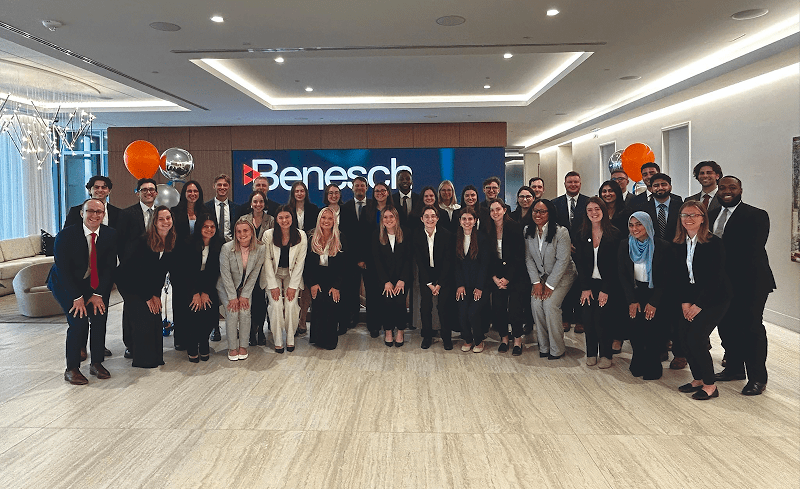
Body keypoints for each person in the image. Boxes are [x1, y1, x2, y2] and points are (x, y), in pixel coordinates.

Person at [710, 176, 775, 396]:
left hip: (751, 282)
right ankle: (735, 368)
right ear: (717, 191)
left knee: (751, 328)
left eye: (732, 187)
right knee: (726, 326)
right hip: (722, 283)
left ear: (740, 190)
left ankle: (758, 377)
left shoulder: (756, 215)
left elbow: (752, 249)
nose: (727, 191)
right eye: (723, 188)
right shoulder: (711, 215)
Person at [48, 199, 117, 385]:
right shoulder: (66, 235)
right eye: (90, 211)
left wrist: (98, 294)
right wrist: (76, 297)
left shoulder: (110, 235)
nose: (94, 215)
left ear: (104, 215)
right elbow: (63, 270)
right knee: (78, 323)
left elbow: (109, 268)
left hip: (92, 285)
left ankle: (96, 363)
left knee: (99, 318)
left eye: (99, 212)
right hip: (65, 283)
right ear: (82, 213)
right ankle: (71, 368)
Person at [673, 201, 732, 400]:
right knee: (683, 337)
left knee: (697, 338)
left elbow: (715, 278)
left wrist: (698, 305)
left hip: (715, 298)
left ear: (703, 218)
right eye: (684, 215)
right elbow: (680, 276)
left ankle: (710, 385)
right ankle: (697, 379)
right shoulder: (679, 243)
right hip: (690, 296)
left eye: (693, 215)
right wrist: (685, 302)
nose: (688, 219)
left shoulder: (714, 243)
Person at [63, 175, 118, 359]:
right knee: (79, 316)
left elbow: (114, 252)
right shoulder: (75, 213)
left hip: (101, 273)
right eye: (96, 187)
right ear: (90, 189)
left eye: (104, 187)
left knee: (99, 311)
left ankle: (98, 350)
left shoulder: (117, 215)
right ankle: (79, 348)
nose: (100, 190)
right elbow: (66, 249)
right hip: (75, 273)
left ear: (109, 191)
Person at [117, 206, 176, 368]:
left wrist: (155, 295)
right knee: (144, 317)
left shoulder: (170, 241)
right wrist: (148, 296)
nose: (165, 222)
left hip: (148, 286)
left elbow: (158, 273)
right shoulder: (143, 241)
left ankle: (156, 357)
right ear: (154, 222)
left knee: (155, 316)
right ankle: (143, 360)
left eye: (168, 218)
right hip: (130, 285)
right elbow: (135, 272)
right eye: (161, 219)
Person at [618, 212, 673, 380]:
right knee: (635, 330)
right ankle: (638, 359)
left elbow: (665, 278)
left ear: (648, 225)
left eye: (639, 224)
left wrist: (654, 302)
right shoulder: (624, 245)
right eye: (631, 225)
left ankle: (653, 364)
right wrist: (631, 300)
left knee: (653, 331)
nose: (635, 229)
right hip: (634, 293)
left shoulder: (662, 246)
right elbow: (623, 275)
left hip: (656, 294)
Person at [524, 199, 576, 359]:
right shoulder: (527, 230)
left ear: (550, 213)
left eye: (542, 211)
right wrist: (536, 283)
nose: (537, 214)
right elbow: (529, 259)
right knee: (535, 304)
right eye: (535, 211)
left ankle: (557, 348)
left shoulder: (561, 232)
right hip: (540, 277)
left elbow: (563, 261)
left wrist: (550, 285)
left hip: (563, 275)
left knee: (550, 305)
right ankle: (544, 346)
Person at [575, 197, 622, 368]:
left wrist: (606, 289)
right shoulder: (582, 234)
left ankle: (606, 355)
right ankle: (591, 353)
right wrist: (585, 288)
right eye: (590, 210)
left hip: (607, 285)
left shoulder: (615, 234)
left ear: (603, 211)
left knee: (603, 321)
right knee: (588, 320)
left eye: (597, 209)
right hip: (588, 285)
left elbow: (615, 265)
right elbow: (580, 262)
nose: (594, 213)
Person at [116, 178, 158, 359]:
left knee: (152, 305)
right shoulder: (127, 214)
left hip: (153, 268)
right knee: (133, 307)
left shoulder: (161, 214)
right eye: (144, 190)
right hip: (131, 270)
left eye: (151, 189)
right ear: (138, 192)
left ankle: (149, 341)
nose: (148, 192)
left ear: (156, 193)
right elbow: (120, 243)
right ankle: (130, 344)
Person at [174, 215, 223, 362]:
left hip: (209, 282)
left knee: (209, 311)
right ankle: (192, 344)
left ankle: (204, 342)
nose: (209, 229)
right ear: (199, 228)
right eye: (205, 226)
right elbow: (184, 271)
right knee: (193, 311)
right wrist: (195, 292)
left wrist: (206, 292)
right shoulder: (187, 243)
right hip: (189, 283)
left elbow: (215, 271)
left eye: (212, 227)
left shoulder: (219, 244)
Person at [218, 219, 265, 361]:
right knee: (232, 311)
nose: (242, 234)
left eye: (245, 230)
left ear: (252, 232)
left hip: (245, 287)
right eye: (238, 231)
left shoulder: (260, 248)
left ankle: (243, 346)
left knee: (245, 311)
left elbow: (254, 274)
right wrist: (232, 297)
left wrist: (244, 295)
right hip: (227, 286)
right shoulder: (227, 248)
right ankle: (232, 347)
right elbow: (225, 274)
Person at [263, 206, 307, 353]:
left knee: (291, 304)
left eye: (287, 217)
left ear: (292, 218)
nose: (284, 220)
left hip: (291, 274)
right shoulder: (268, 235)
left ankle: (290, 338)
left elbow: (300, 264)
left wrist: (293, 286)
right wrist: (273, 285)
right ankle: (278, 340)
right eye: (280, 217)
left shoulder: (301, 236)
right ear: (276, 219)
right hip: (273, 274)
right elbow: (267, 262)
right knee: (275, 305)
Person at [304, 207, 348, 350]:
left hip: (333, 280)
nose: (326, 221)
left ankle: (329, 340)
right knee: (318, 306)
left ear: (334, 221)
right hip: (317, 280)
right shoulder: (311, 237)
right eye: (324, 218)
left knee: (330, 306)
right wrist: (312, 284)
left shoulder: (340, 238)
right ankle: (317, 339)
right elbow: (307, 265)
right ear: (319, 220)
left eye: (330, 218)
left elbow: (344, 267)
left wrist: (337, 286)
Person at [486, 198, 525, 355]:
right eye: (492, 210)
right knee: (499, 308)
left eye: (498, 209)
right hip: (496, 277)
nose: (495, 213)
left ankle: (517, 340)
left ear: (504, 210)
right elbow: (487, 258)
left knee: (515, 309)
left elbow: (519, 256)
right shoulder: (487, 229)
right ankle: (504, 338)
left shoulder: (515, 227)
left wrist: (508, 278)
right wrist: (495, 278)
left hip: (515, 275)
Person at [170, 180, 205, 351]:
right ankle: (181, 338)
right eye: (189, 190)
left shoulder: (205, 212)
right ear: (184, 193)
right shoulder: (175, 212)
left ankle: (199, 336)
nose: (192, 193)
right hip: (179, 262)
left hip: (201, 261)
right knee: (180, 299)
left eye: (195, 191)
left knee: (198, 297)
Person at [413, 205, 455, 350]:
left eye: (432, 216)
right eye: (426, 216)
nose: (430, 219)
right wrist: (430, 284)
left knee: (444, 307)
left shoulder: (447, 235)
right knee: (425, 307)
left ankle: (446, 337)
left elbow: (448, 262)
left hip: (444, 276)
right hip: (426, 277)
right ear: (422, 219)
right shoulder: (417, 236)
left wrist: (440, 284)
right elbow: (419, 262)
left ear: (437, 218)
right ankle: (427, 336)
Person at [236, 190, 275, 346]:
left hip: (264, 265)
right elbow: (237, 240)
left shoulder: (271, 220)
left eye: (261, 202)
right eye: (255, 202)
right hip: (246, 266)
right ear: (251, 203)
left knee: (260, 300)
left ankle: (260, 330)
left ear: (264, 204)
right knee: (248, 298)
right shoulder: (243, 219)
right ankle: (250, 330)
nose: (258, 204)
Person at [553, 171, 588, 334]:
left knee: (582, 284)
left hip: (583, 250)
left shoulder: (588, 202)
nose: (573, 184)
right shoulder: (555, 203)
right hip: (562, 251)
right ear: (564, 184)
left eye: (576, 182)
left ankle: (580, 320)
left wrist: (578, 245)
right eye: (570, 182)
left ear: (580, 184)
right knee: (564, 285)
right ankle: (565, 318)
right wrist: (566, 245)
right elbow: (553, 228)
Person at [372, 207, 411, 346]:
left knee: (400, 303)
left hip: (402, 278)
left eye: (391, 217)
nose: (388, 220)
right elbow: (377, 261)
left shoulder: (406, 233)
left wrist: (402, 280)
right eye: (385, 217)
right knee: (387, 303)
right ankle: (388, 331)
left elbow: (409, 259)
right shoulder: (377, 235)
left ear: (396, 219)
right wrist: (385, 281)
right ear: (382, 220)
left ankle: (400, 331)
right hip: (385, 279)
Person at [454, 208, 490, 353]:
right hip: (463, 284)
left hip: (479, 285)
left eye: (470, 219)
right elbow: (455, 265)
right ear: (460, 221)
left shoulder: (482, 238)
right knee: (462, 313)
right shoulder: (456, 238)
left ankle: (479, 340)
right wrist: (460, 285)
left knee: (473, 313)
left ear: (475, 221)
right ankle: (468, 340)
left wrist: (480, 287)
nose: (467, 222)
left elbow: (485, 265)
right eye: (464, 219)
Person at [205, 174, 241, 242]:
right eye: (219, 185)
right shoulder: (206, 207)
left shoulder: (236, 208)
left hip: (231, 245)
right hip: (212, 245)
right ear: (214, 186)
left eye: (225, 185)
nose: (222, 187)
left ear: (229, 186)